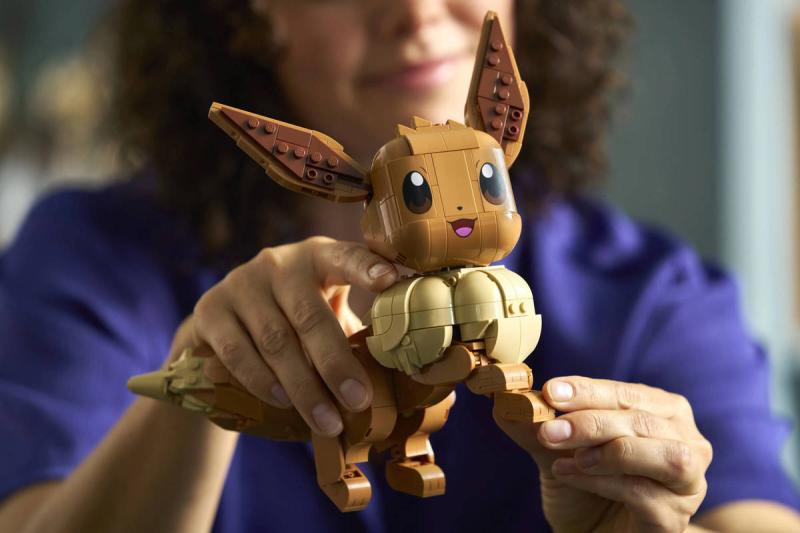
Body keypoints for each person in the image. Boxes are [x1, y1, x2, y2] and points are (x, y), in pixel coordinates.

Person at [0, 1, 799, 531]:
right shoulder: (93, 257)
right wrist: (204, 392)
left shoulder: (654, 296)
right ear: (245, 11)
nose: (414, 10)